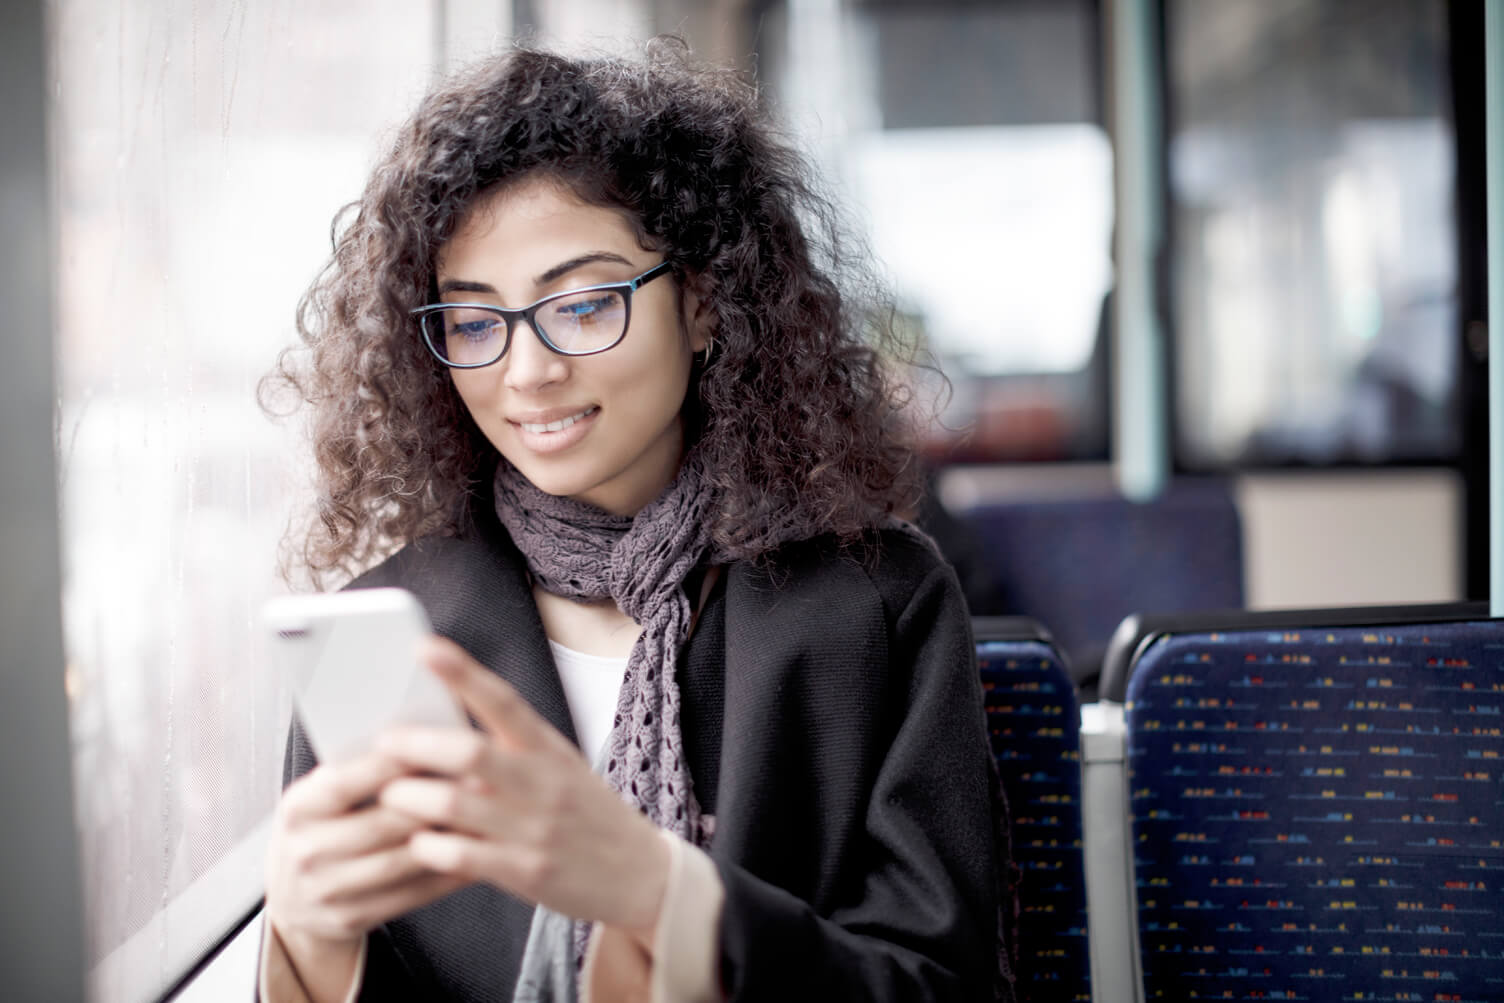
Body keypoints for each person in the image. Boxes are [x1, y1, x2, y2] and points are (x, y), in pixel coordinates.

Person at [258, 38, 1013, 1003]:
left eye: (581, 304)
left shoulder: (876, 602)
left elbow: (936, 985)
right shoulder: (390, 627)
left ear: (701, 302)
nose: (526, 372)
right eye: (475, 321)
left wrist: (659, 893)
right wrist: (312, 947)